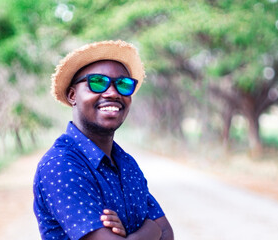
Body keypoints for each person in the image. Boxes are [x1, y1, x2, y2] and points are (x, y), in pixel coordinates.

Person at [33, 40, 174, 240]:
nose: (112, 92)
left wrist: (137, 234)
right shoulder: (61, 165)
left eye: (123, 85)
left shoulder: (126, 163)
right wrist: (152, 229)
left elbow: (168, 234)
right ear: (73, 95)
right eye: (98, 82)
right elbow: (161, 230)